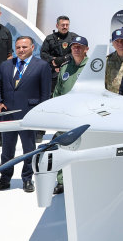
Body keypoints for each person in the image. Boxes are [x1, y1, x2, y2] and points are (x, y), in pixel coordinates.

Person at [0, 36, 52, 193]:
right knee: (6, 151)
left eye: (24, 47)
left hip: (29, 115)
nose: (21, 50)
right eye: (18, 47)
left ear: (32, 48)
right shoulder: (5, 65)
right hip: (8, 115)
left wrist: (41, 114)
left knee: (29, 150)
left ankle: (27, 179)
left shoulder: (42, 66)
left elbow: (45, 93)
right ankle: (4, 179)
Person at [51, 35, 90, 194]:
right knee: (63, 147)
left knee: (84, 148)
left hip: (85, 116)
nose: (76, 49)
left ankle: (83, 179)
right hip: (66, 116)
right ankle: (62, 181)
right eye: (74, 46)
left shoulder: (92, 66)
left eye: (80, 46)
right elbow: (58, 91)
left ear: (86, 49)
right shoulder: (65, 68)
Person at [40, 15, 77, 92]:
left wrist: (64, 59)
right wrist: (53, 60)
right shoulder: (49, 38)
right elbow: (43, 54)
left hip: (70, 71)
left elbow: (78, 53)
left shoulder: (74, 37)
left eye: (67, 25)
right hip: (53, 73)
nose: (65, 27)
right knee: (53, 94)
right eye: (63, 25)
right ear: (57, 26)